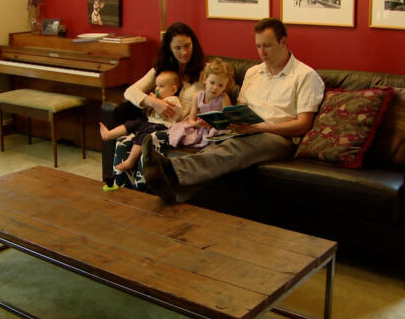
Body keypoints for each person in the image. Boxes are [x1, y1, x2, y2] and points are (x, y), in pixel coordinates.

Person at [141, 17, 325, 204]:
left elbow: (303, 125)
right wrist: (226, 121)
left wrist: (258, 128)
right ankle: (176, 192)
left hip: (279, 138)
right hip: (246, 130)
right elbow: (239, 108)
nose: (262, 52)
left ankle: (172, 169)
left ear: (283, 42)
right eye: (258, 46)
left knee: (234, 148)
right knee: (217, 144)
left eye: (267, 46)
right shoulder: (253, 72)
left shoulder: (305, 76)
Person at [109, 22, 206, 190]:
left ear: (194, 44)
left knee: (148, 142)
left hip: (180, 128)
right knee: (123, 141)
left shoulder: (205, 71)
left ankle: (144, 192)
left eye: (187, 46)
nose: (184, 52)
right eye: (177, 48)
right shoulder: (161, 71)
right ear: (169, 48)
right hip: (156, 123)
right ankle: (120, 190)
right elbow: (130, 92)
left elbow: (218, 93)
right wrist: (154, 102)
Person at [100, 71, 182, 190]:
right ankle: (109, 134)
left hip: (162, 126)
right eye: (156, 85)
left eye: (161, 86)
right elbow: (133, 95)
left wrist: (155, 101)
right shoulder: (160, 98)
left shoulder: (173, 100)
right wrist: (152, 101)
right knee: (131, 124)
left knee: (143, 136)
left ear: (173, 89)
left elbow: (168, 113)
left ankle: (131, 160)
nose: (156, 89)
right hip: (150, 122)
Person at [168, 57, 234, 148]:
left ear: (225, 87)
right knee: (181, 128)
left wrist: (215, 124)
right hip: (200, 126)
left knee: (220, 132)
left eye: (220, 85)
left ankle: (210, 142)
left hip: (216, 127)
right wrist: (197, 124)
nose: (215, 87)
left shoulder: (223, 97)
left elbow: (228, 119)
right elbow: (191, 120)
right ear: (204, 79)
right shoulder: (197, 96)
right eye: (212, 82)